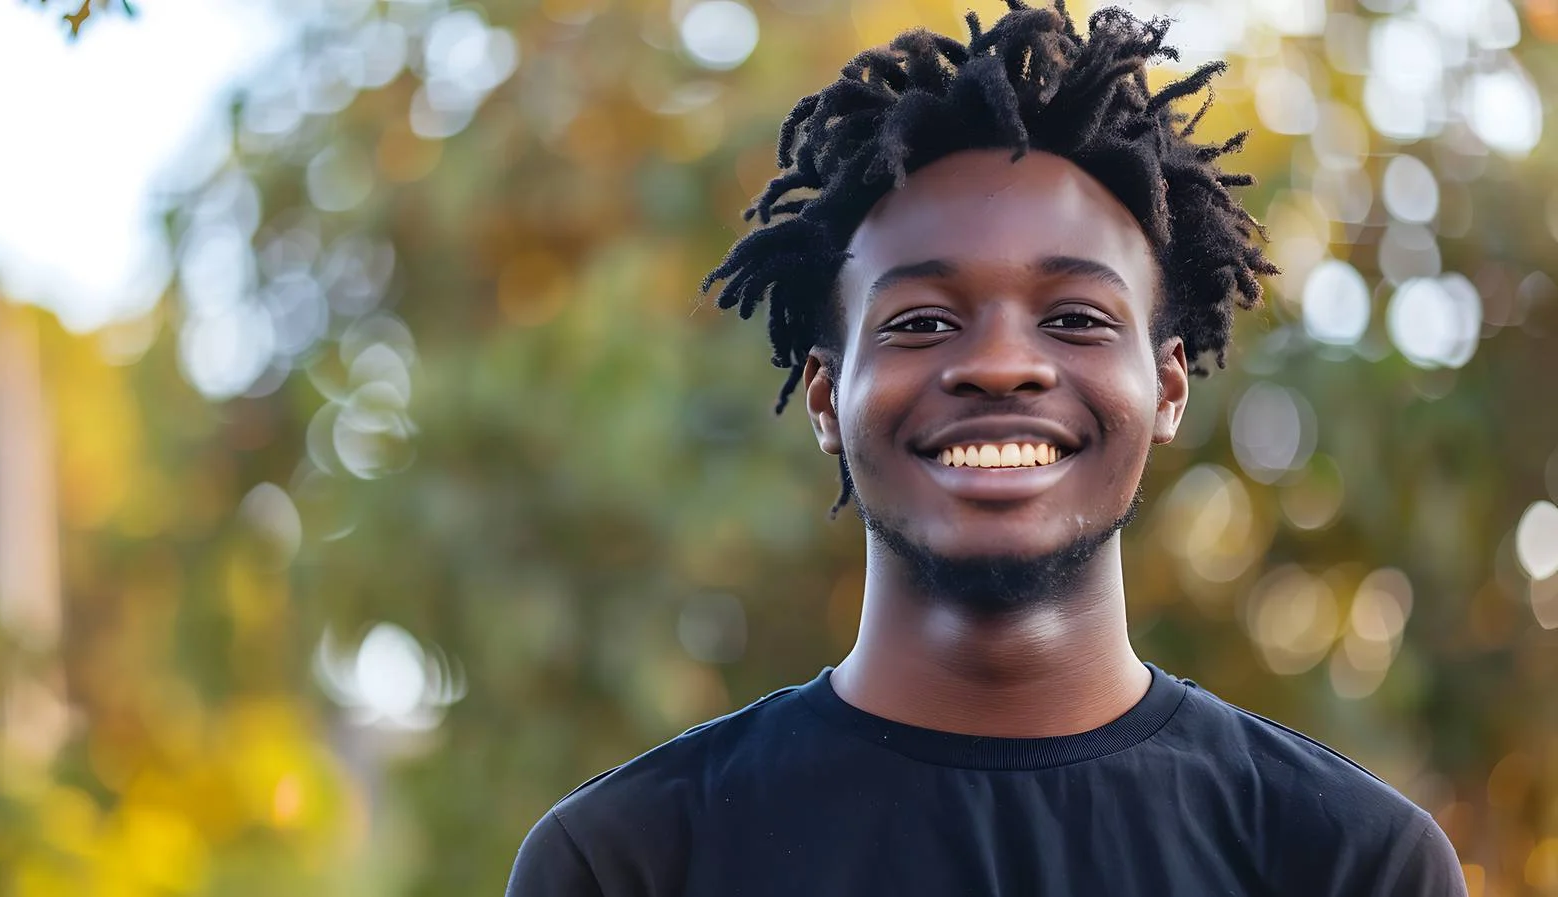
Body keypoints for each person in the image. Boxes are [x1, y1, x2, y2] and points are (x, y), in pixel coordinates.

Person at [506, 2, 1468, 894]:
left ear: (1167, 385)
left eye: (1078, 318)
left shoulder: (1348, 861)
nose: (1002, 364)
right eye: (921, 322)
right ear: (826, 397)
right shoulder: (628, 861)